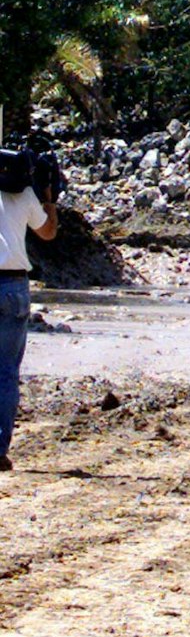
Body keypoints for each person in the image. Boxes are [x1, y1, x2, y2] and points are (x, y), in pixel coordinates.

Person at [0, 178, 56, 472]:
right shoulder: (21, 192)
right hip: (12, 284)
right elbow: (47, 232)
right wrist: (50, 200)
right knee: (6, 372)